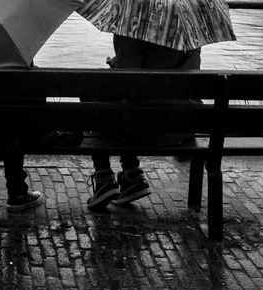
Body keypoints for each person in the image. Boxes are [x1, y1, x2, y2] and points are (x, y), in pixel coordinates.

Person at [86, 34, 201, 210]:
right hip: (182, 128)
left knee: (93, 95)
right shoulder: (192, 33)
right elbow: (179, 69)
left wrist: (116, 64)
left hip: (146, 131)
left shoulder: (132, 29)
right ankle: (132, 175)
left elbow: (126, 80)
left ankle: (104, 177)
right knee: (134, 106)